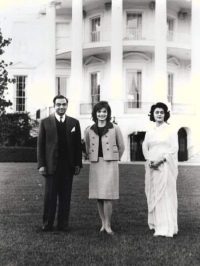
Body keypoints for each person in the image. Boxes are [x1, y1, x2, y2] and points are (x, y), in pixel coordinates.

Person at [37, 95, 82, 232]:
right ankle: (47, 224)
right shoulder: (45, 122)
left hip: (67, 166)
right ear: (54, 105)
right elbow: (40, 145)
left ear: (67, 105)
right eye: (58, 104)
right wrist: (41, 165)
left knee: (66, 197)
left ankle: (63, 224)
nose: (61, 107)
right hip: (51, 166)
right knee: (50, 197)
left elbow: (77, 146)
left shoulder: (74, 123)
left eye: (64, 104)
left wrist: (77, 164)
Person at [85, 101, 125, 235]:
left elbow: (121, 146)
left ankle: (108, 224)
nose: (102, 114)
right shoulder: (90, 129)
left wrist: (114, 158)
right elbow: (87, 146)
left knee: (108, 195)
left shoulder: (115, 128)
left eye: (104, 112)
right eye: (99, 111)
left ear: (108, 114)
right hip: (96, 163)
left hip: (110, 164)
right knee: (98, 195)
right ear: (95, 113)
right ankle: (102, 223)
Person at [142, 102, 178, 237]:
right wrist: (150, 160)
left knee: (165, 194)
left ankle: (166, 227)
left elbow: (174, 148)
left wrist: (161, 160)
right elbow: (145, 146)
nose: (159, 115)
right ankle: (156, 223)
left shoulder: (170, 130)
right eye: (157, 112)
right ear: (152, 114)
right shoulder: (150, 131)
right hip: (152, 166)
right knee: (154, 193)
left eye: (162, 112)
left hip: (165, 165)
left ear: (165, 114)